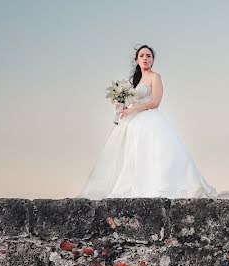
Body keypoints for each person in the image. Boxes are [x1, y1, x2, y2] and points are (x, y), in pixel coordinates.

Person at [78, 44, 217, 199]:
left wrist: (133, 109)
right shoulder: (134, 82)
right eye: (142, 56)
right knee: (133, 156)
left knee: (156, 153)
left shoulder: (155, 77)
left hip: (150, 120)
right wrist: (122, 104)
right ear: (137, 60)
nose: (145, 58)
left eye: (148, 56)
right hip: (132, 122)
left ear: (153, 60)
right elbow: (131, 101)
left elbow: (155, 102)